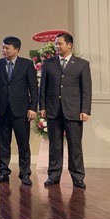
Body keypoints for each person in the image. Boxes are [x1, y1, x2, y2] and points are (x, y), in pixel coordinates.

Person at [39, 33, 92, 189]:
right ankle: (53, 176)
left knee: (75, 145)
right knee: (54, 145)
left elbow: (86, 89)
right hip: (53, 111)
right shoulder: (49, 63)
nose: (57, 46)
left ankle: (77, 177)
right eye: (56, 44)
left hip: (74, 111)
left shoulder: (82, 64)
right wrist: (42, 107)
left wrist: (85, 110)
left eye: (60, 44)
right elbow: (43, 87)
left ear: (69, 45)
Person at [0, 36, 38, 186]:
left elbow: (33, 88)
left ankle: (25, 173)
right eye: (3, 47)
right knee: (3, 143)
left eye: (7, 48)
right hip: (3, 109)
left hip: (21, 110)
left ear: (16, 49)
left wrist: (33, 107)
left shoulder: (27, 64)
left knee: (23, 143)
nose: (3, 50)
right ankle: (3, 172)